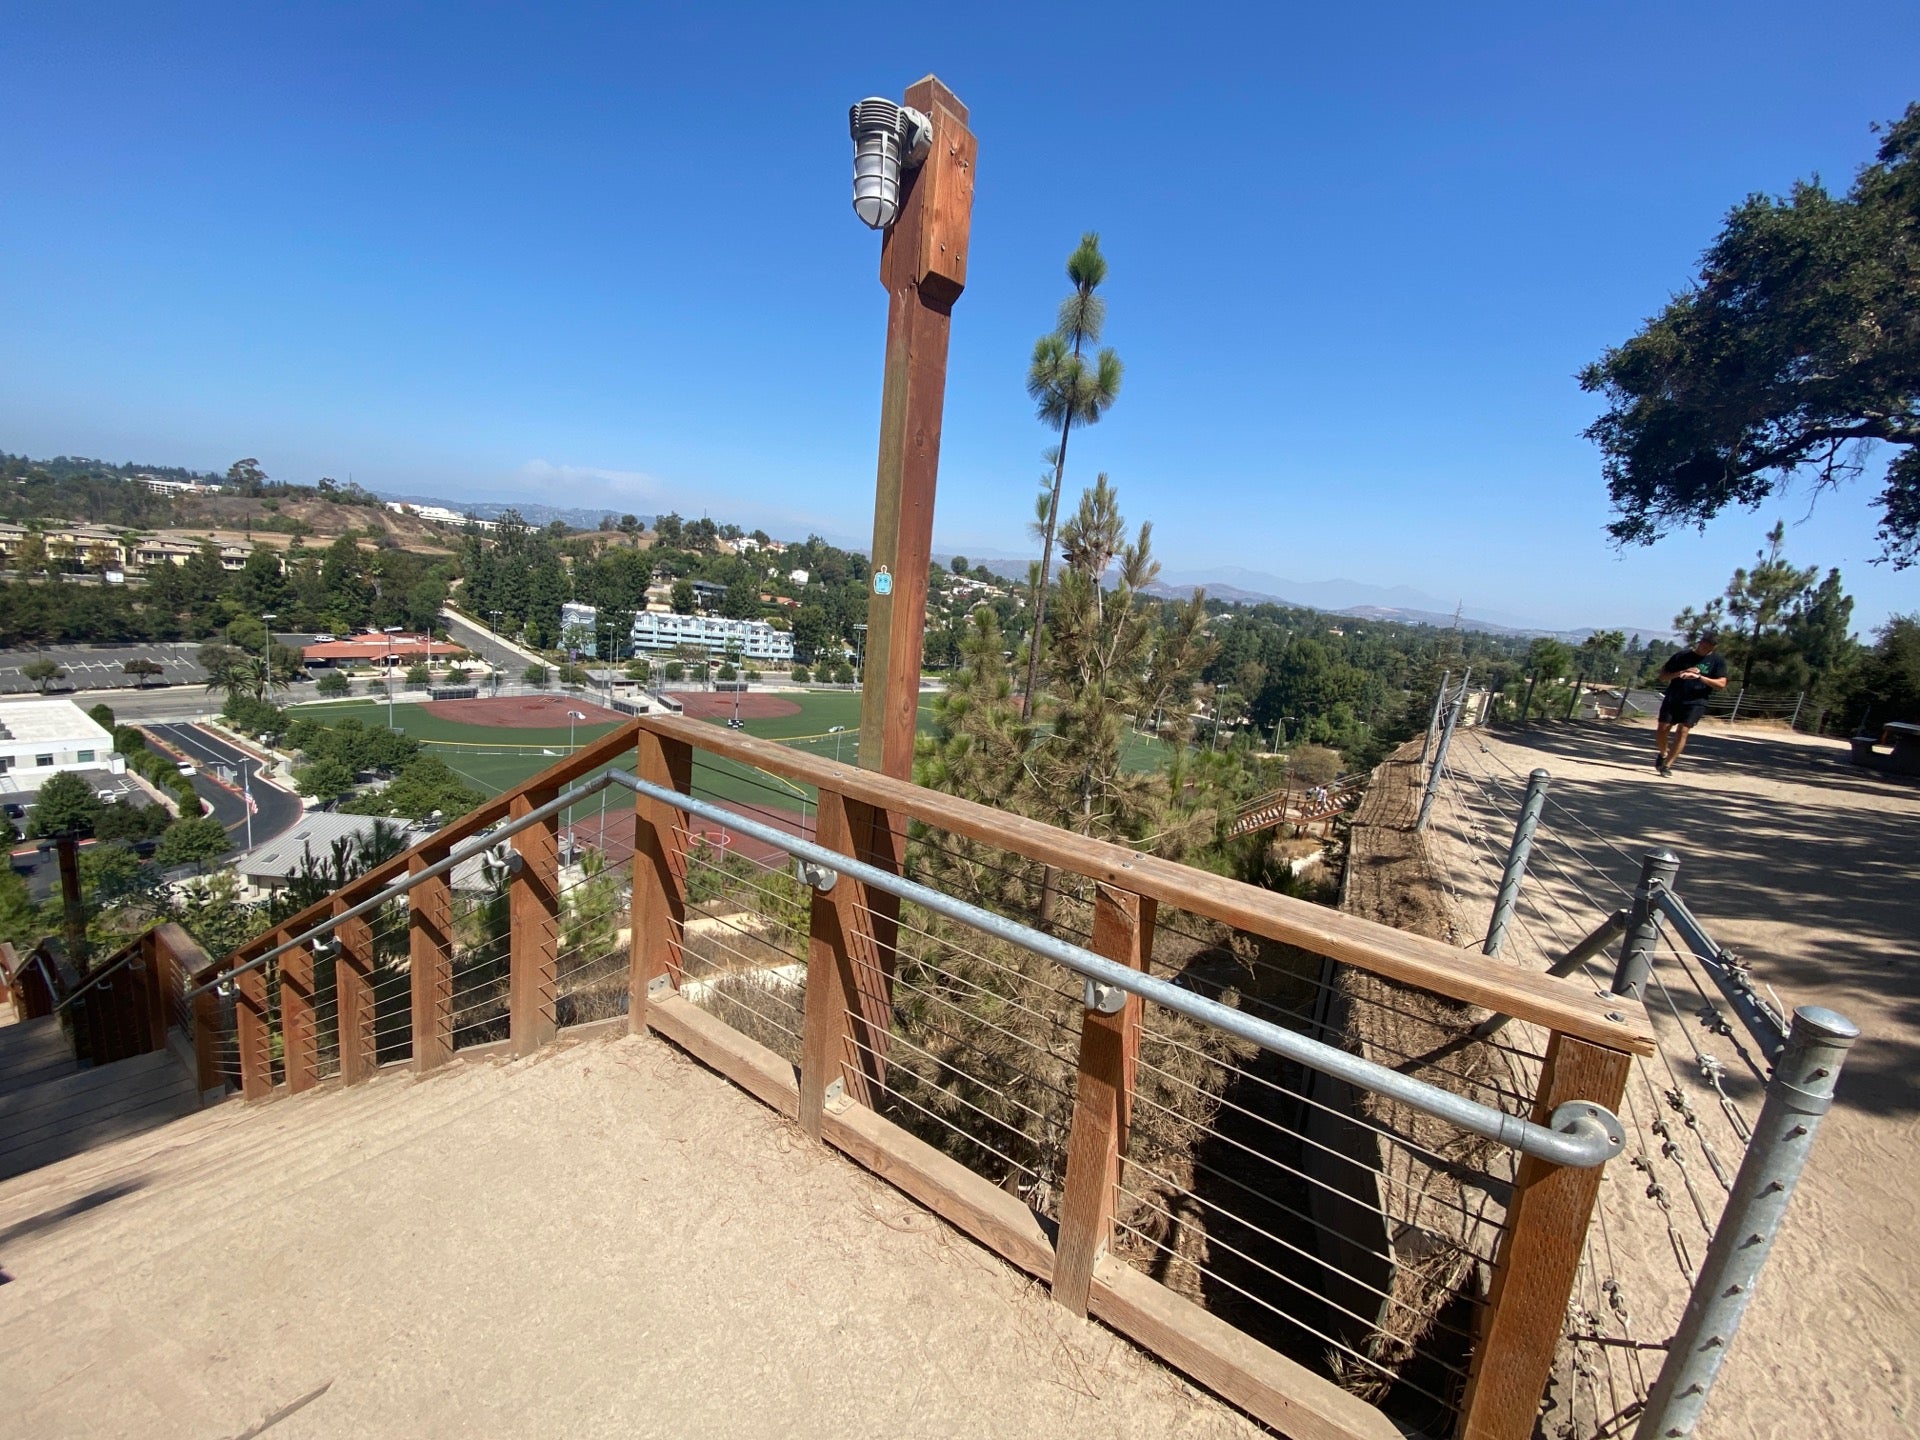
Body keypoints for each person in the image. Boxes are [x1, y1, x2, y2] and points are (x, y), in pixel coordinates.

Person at [1653, 632, 1728, 775]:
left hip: (1696, 701)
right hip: (1674, 697)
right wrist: (1680, 673)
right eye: (1704, 645)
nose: (1706, 648)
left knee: (1683, 731)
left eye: (1710, 647)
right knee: (1662, 729)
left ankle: (1667, 766)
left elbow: (1721, 684)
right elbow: (1663, 676)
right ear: (1700, 642)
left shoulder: (1717, 661)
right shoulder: (1681, 656)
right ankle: (1663, 753)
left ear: (1714, 647)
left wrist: (1699, 677)